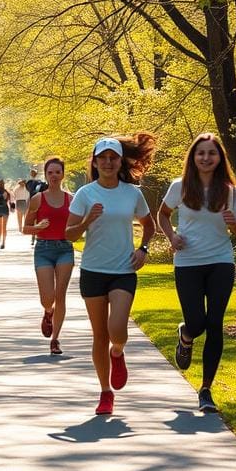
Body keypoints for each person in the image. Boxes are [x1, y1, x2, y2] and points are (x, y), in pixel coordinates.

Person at [158, 132, 236, 413]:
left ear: (220, 157)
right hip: (187, 262)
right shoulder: (180, 186)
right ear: (193, 157)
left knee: (214, 324)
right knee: (197, 323)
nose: (206, 158)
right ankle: (186, 335)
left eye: (212, 153)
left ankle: (206, 389)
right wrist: (171, 236)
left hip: (221, 261)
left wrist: (234, 223)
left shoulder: (231, 192)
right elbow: (162, 214)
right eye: (201, 153)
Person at [66, 134, 156, 416]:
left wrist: (143, 249)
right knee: (99, 335)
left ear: (120, 162)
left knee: (117, 330)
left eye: (112, 158)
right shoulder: (85, 194)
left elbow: (148, 224)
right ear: (94, 161)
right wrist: (86, 220)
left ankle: (118, 352)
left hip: (123, 270)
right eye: (102, 158)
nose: (107, 162)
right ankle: (105, 393)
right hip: (93, 270)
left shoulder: (132, 193)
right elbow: (69, 234)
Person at [23, 157, 74, 354]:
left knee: (60, 295)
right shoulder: (37, 199)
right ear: (46, 175)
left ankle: (55, 339)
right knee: (48, 297)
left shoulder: (71, 199)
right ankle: (48, 311)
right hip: (43, 249)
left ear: (63, 174)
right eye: (50, 172)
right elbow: (25, 228)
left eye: (57, 172)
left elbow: (77, 226)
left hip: (65, 249)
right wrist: (37, 227)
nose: (54, 176)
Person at [25, 168, 48, 245]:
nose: (32, 174)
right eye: (32, 172)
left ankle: (35, 237)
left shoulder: (37, 182)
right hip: (33, 202)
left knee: (37, 221)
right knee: (33, 221)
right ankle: (33, 237)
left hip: (38, 202)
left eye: (33, 172)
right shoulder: (30, 182)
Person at [0, 179, 12, 249]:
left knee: (4, 226)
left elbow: (10, 201)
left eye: (2, 184)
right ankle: (0, 240)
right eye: (0, 184)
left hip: (4, 209)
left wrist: (12, 206)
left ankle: (3, 242)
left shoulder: (6, 192)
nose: (1, 185)